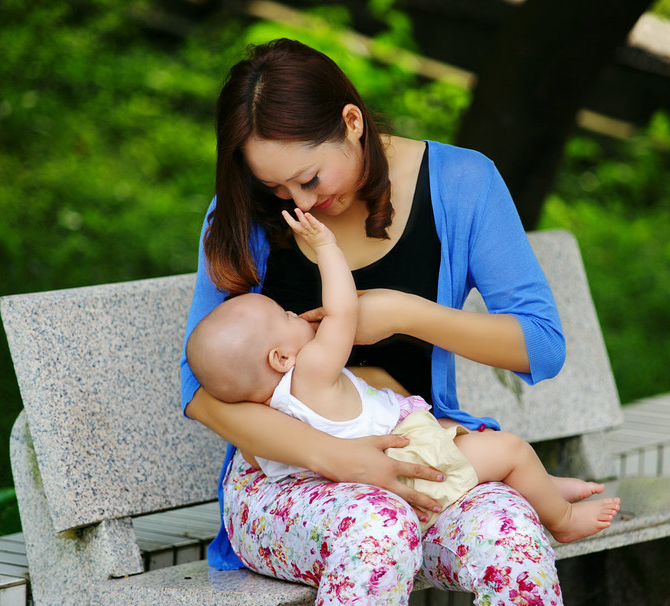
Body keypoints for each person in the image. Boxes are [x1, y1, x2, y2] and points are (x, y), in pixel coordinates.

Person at [180, 37, 591, 604]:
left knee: (513, 539)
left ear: (352, 122)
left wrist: (407, 313)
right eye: (274, 187)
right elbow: (198, 389)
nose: (297, 201)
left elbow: (541, 345)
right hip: (289, 485)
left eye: (310, 179)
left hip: (419, 462)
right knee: (377, 528)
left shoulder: (462, 184)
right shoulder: (243, 213)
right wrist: (337, 458)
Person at [186, 207, 620, 540]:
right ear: (280, 358)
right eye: (285, 314)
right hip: (410, 468)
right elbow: (342, 312)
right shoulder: (312, 371)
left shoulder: (267, 425)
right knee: (511, 450)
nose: (295, 312)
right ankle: (560, 519)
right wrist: (326, 250)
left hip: (364, 486)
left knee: (454, 429)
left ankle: (540, 487)